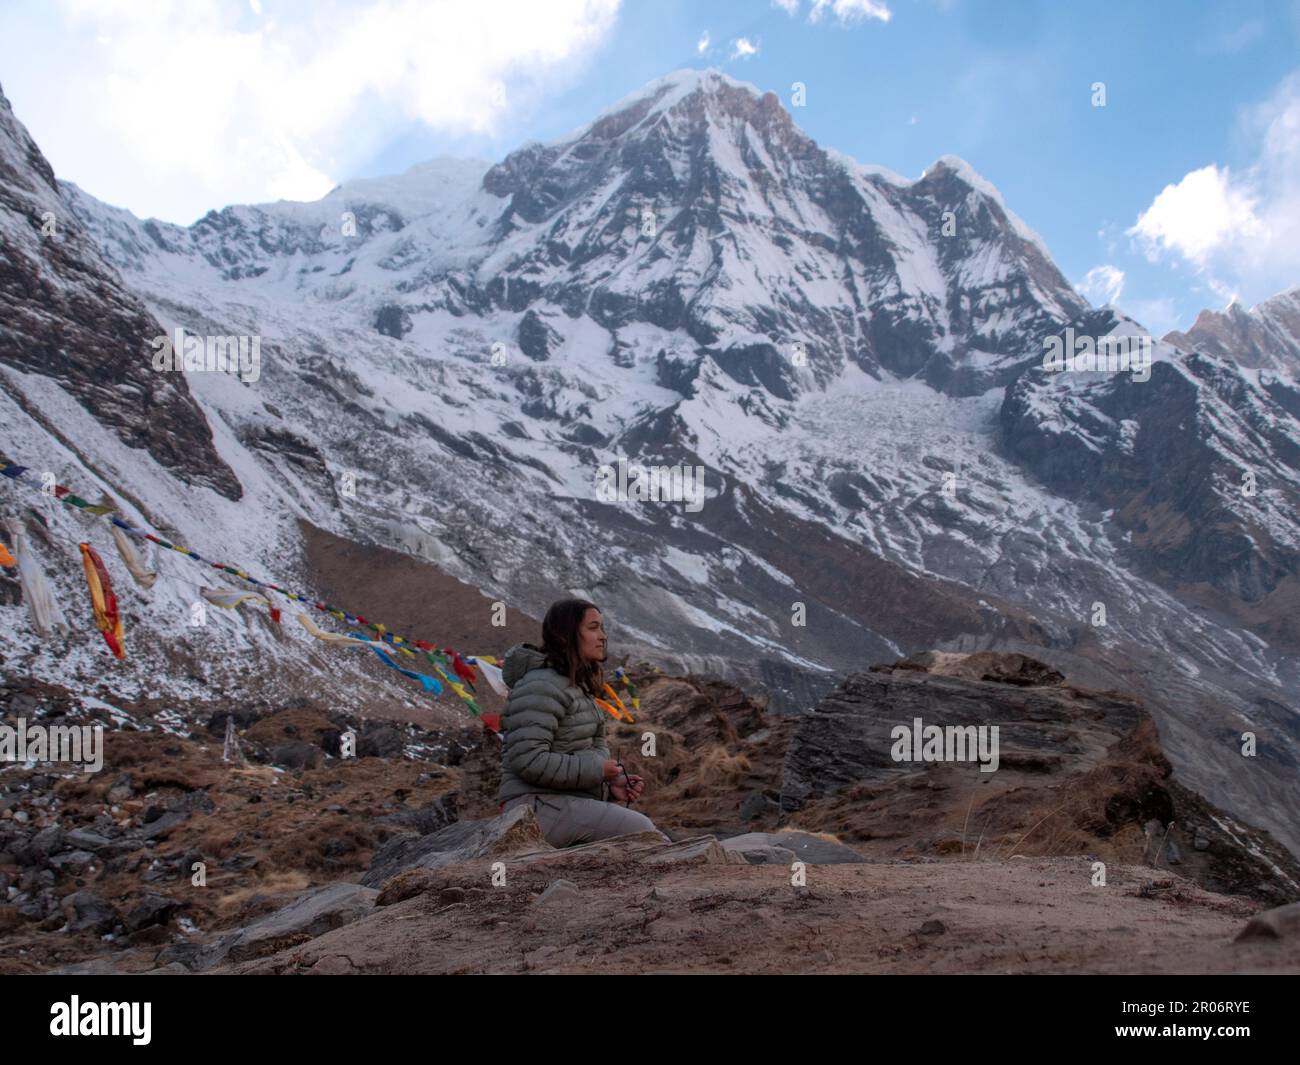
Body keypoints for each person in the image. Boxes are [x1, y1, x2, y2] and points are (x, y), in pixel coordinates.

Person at [497, 598, 670, 847]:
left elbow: (573, 756)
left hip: (555, 803)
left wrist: (608, 786)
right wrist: (597, 771)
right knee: (641, 833)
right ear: (564, 635)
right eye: (593, 628)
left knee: (644, 838)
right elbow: (529, 760)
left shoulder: (575, 687)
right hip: (531, 808)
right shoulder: (541, 685)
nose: (602, 636)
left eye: (602, 628)